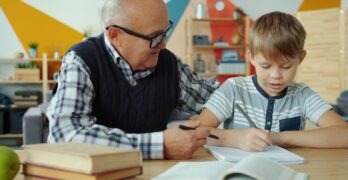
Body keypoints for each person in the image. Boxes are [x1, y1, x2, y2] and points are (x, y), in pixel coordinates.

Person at [46, 0, 218, 160]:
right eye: (154, 36)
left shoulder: (169, 64)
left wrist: (240, 88)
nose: (164, 44)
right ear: (115, 36)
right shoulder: (81, 60)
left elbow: (217, 100)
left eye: (165, 31)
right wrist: (160, 145)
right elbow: (65, 136)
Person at [197, 11, 348, 152]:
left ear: (301, 59)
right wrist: (234, 139)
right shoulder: (234, 89)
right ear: (252, 57)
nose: (276, 75)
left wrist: (281, 138)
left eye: (286, 66)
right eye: (266, 66)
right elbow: (196, 132)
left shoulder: (302, 95)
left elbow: (344, 134)